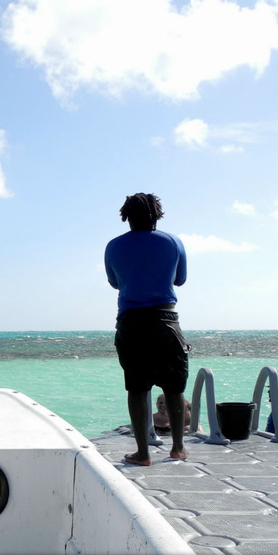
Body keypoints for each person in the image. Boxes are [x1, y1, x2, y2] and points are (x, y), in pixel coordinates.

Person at [105, 193, 190, 466]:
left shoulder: (113, 246)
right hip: (165, 320)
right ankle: (177, 447)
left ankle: (143, 454)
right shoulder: (173, 242)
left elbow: (114, 283)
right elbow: (181, 279)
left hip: (130, 322)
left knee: (137, 389)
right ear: (156, 216)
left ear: (126, 217)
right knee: (174, 388)